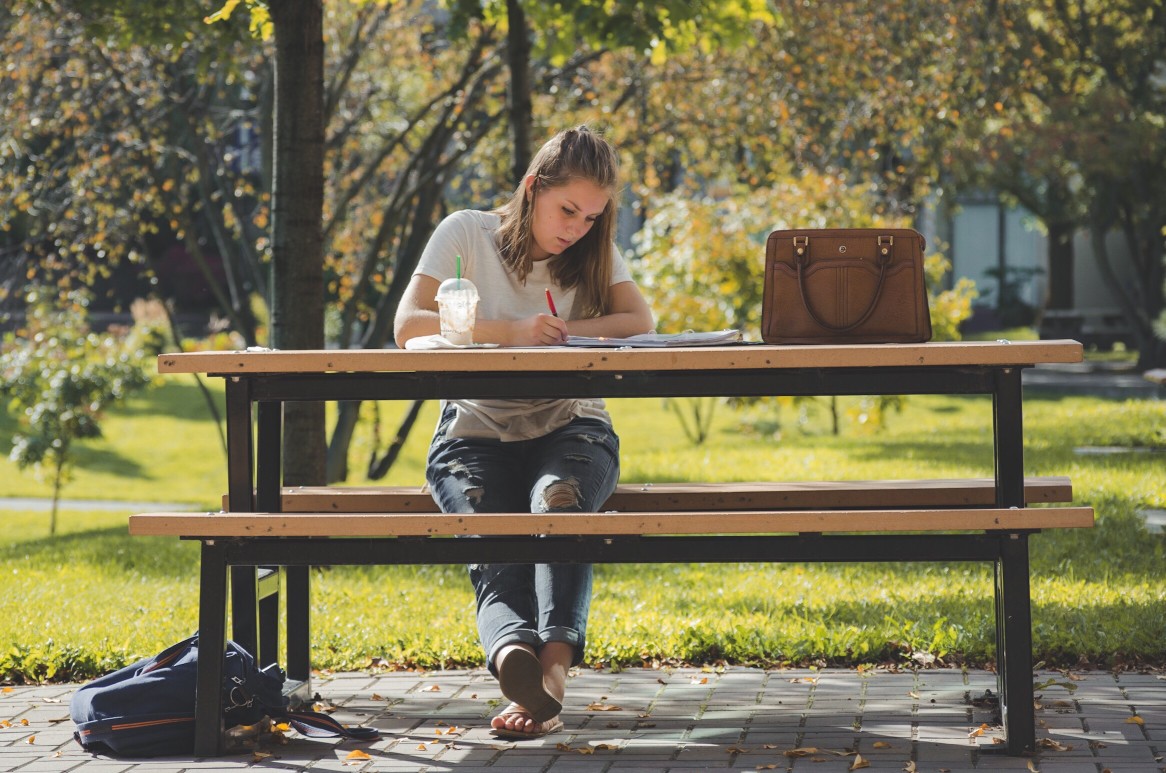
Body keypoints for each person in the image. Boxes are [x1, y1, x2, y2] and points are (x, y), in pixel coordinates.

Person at [393, 125, 654, 739]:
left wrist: (573, 331)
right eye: (568, 209)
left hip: (572, 424)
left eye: (591, 217)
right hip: (474, 427)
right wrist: (508, 331)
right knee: (492, 524)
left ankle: (550, 676)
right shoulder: (465, 233)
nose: (576, 227)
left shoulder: (592, 252)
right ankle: (514, 652)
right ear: (533, 188)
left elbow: (640, 321)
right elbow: (409, 324)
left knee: (555, 506)